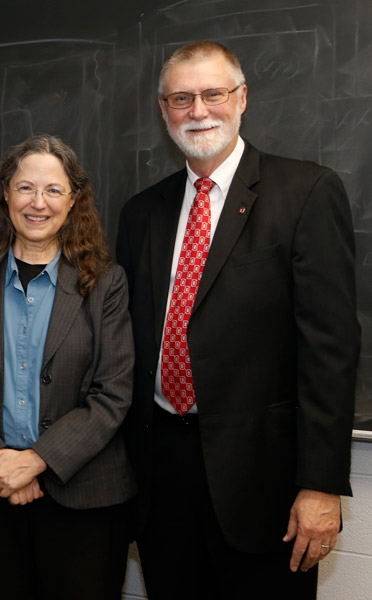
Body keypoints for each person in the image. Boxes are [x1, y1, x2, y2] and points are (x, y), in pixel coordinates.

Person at [116, 40, 359, 599]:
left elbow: (332, 350)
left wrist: (320, 485)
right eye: (182, 98)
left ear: (242, 98)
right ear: (163, 109)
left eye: (212, 94)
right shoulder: (140, 213)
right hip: (161, 479)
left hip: (264, 484)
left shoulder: (306, 192)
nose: (198, 111)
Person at [0, 134, 135, 599]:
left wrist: (37, 461)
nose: (37, 203)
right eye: (25, 188)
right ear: (5, 193)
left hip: (81, 500)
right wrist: (2, 464)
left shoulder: (106, 284)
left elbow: (113, 392)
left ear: (73, 199)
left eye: (53, 190)